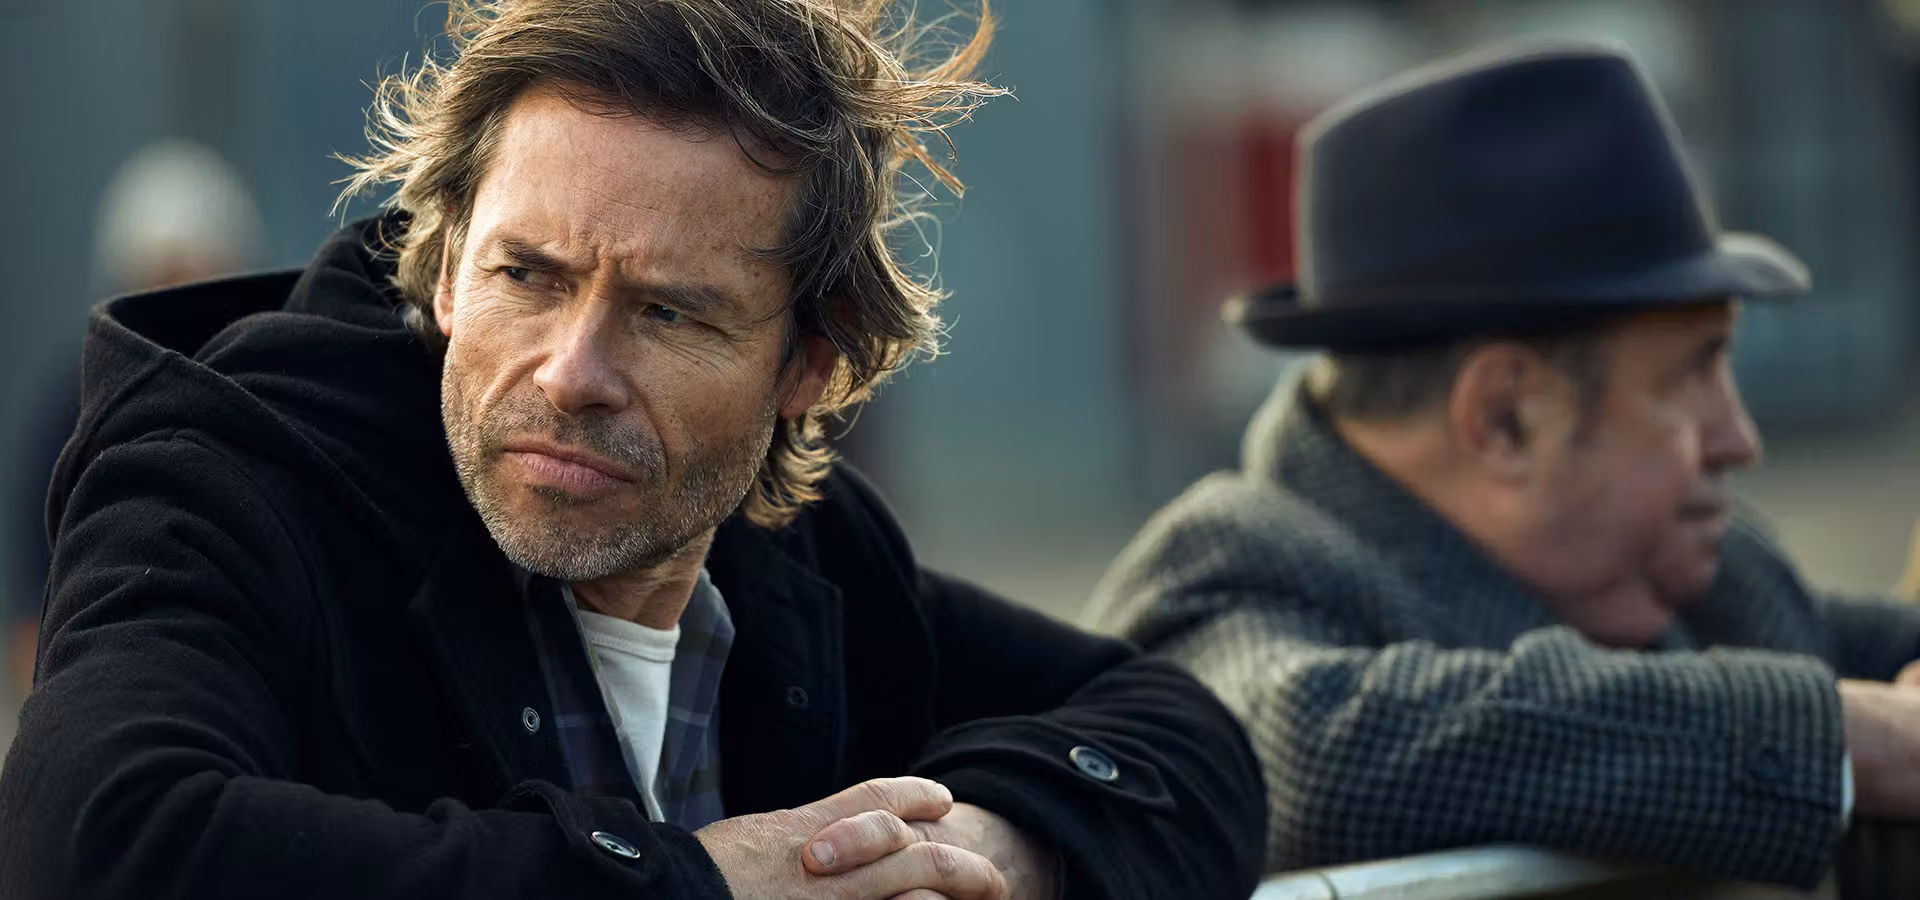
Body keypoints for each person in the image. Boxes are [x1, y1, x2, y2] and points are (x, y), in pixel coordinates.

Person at [0, 2, 1266, 899]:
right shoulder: (234, 485)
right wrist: (692, 882)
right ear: (443, 269)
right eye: (527, 276)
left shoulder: (792, 556)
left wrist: (989, 850)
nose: (571, 372)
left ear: (812, 365)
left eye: (668, 313)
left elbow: (1184, 740)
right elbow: (89, 846)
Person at [1085, 42, 1920, 891]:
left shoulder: (1707, 576)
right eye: (1692, 375)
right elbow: (1308, 758)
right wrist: (1853, 740)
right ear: (1505, 419)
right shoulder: (1221, 579)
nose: (1739, 438)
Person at [6, 138, 265, 701]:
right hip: (100, 688)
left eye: (195, 274)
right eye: (163, 275)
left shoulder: (259, 396)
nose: (176, 295)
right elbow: (33, 603)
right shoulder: (74, 410)